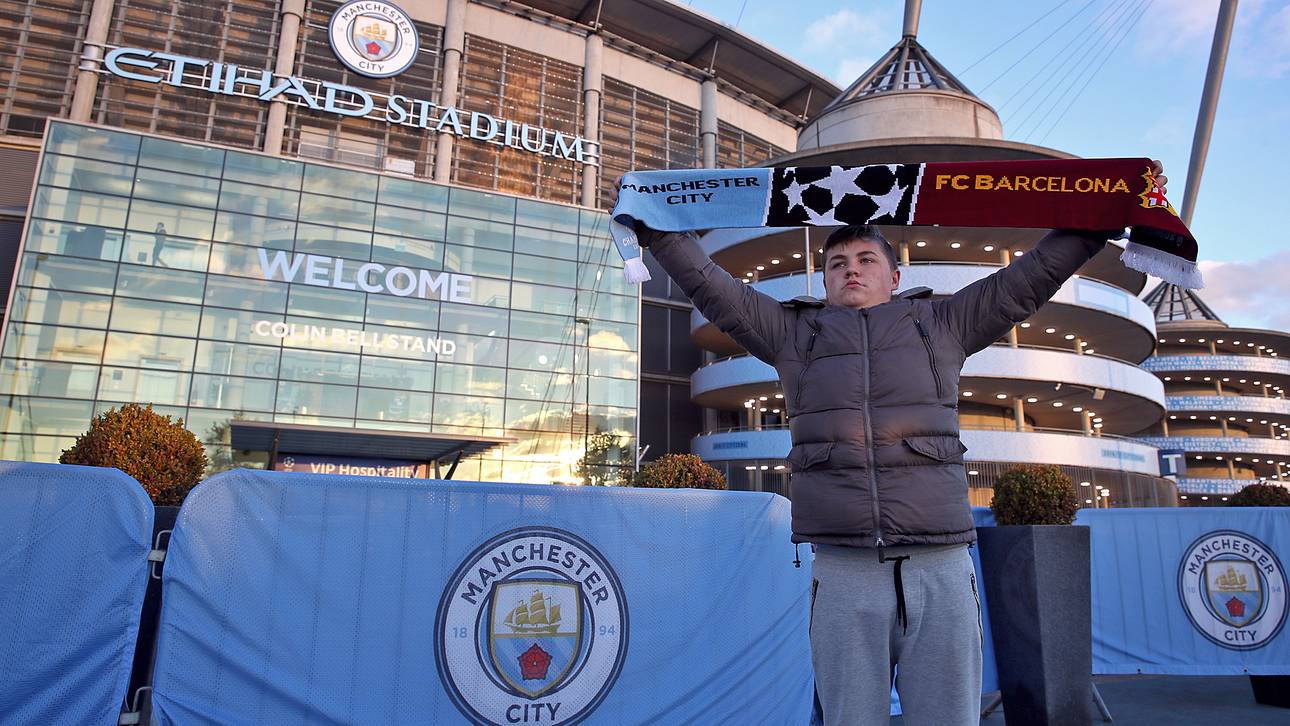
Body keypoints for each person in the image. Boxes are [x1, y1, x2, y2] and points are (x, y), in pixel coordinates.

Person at [626, 163, 1165, 725]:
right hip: (842, 569)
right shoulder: (792, 334)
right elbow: (712, 287)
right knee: (850, 717)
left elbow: (1028, 279)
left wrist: (1098, 218)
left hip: (940, 566)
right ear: (824, 279)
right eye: (837, 263)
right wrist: (657, 228)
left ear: (894, 277)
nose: (850, 270)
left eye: (865, 260)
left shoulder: (944, 323)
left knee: (948, 716)